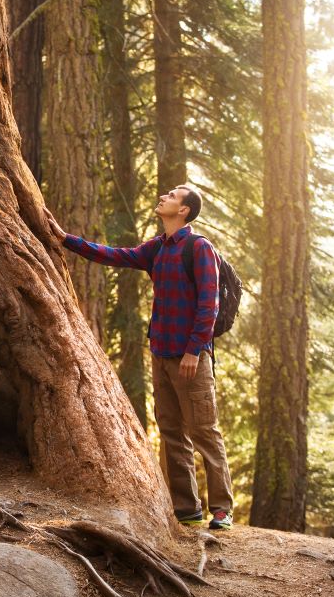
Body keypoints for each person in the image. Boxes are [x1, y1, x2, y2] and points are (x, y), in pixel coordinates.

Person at [43, 184, 234, 531]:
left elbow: (210, 303)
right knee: (172, 432)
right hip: (161, 353)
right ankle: (186, 510)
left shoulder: (199, 248)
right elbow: (115, 255)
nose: (165, 197)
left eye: (173, 196)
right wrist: (66, 239)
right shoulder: (158, 248)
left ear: (184, 211)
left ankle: (222, 510)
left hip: (192, 357)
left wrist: (194, 349)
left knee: (205, 431)